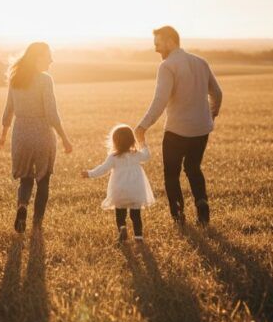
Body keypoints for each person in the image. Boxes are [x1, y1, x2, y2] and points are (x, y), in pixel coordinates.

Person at [135, 25, 222, 226]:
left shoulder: (167, 66)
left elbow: (160, 100)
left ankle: (179, 218)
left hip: (177, 131)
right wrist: (210, 116)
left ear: (170, 41)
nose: (156, 49)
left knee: (171, 175)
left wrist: (142, 126)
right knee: (193, 168)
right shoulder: (201, 62)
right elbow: (217, 94)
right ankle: (202, 210)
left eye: (158, 44)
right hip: (201, 130)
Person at [0, 42, 73, 233]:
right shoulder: (45, 80)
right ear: (38, 57)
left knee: (26, 179)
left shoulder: (16, 79)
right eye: (48, 56)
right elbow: (51, 114)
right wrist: (64, 137)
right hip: (42, 133)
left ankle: (22, 206)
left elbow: (8, 111)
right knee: (43, 180)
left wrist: (3, 136)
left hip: (20, 133)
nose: (51, 60)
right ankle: (37, 224)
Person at [81, 124, 155, 242]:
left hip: (119, 190)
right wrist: (143, 143)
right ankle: (138, 237)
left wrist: (89, 173)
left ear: (115, 142)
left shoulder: (113, 157)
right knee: (135, 215)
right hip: (136, 190)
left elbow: (103, 169)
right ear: (132, 140)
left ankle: (122, 227)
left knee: (120, 213)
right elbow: (147, 156)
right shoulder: (136, 154)